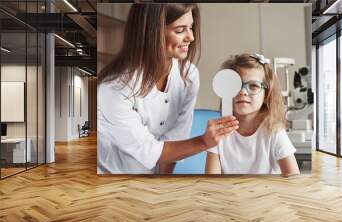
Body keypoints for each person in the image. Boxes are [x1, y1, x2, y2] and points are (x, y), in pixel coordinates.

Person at [97, 3, 239, 174]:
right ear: (151, 33)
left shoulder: (189, 75)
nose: (191, 37)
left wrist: (163, 185)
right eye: (180, 30)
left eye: (191, 27)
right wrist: (204, 142)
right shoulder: (113, 88)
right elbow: (148, 150)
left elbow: (176, 137)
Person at [205, 53, 300, 176]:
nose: (242, 92)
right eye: (236, 85)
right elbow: (210, 182)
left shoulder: (274, 131)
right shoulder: (218, 131)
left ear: (266, 95)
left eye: (253, 86)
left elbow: (294, 180)